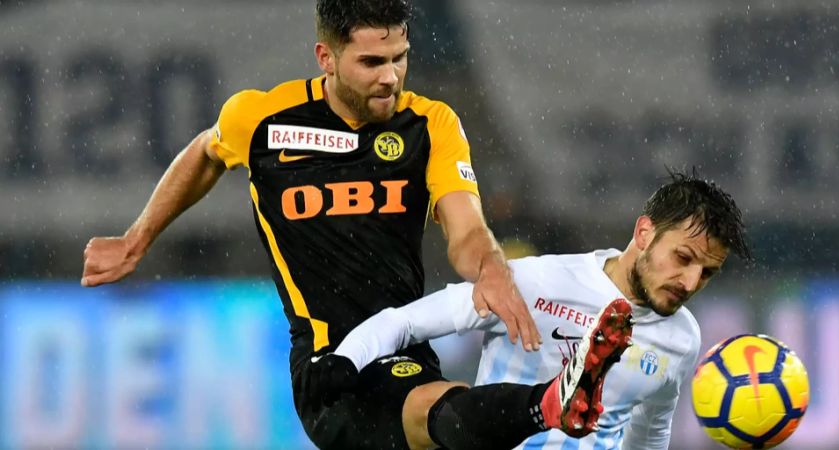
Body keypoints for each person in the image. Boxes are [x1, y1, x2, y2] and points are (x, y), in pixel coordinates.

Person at [76, 0, 609, 448]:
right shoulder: (263, 120)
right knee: (436, 411)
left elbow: (465, 228)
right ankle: (549, 405)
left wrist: (490, 266)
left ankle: (552, 404)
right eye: (372, 61)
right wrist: (137, 238)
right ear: (326, 58)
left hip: (406, 346)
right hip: (328, 365)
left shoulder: (431, 124)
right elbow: (206, 152)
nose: (391, 76)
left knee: (440, 412)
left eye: (401, 58)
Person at [308, 170, 752, 449]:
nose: (691, 283)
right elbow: (405, 321)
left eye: (707, 273)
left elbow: (649, 433)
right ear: (643, 232)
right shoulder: (536, 282)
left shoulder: (682, 337)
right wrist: (342, 361)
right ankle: (549, 402)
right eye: (684, 258)